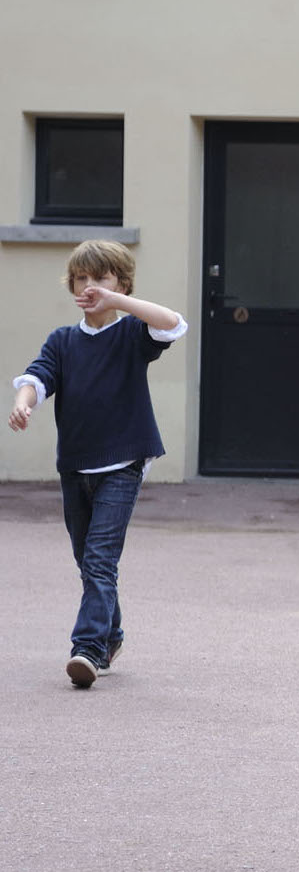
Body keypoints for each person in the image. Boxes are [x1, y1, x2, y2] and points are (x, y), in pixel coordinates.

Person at [10, 239, 187, 689]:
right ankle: (111, 634)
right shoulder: (64, 341)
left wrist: (117, 302)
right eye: (82, 279)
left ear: (122, 284)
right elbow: (37, 377)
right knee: (86, 560)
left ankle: (87, 648)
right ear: (71, 286)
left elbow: (171, 323)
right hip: (75, 467)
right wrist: (24, 403)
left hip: (123, 464)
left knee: (100, 559)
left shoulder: (132, 333)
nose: (90, 287)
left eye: (101, 279)